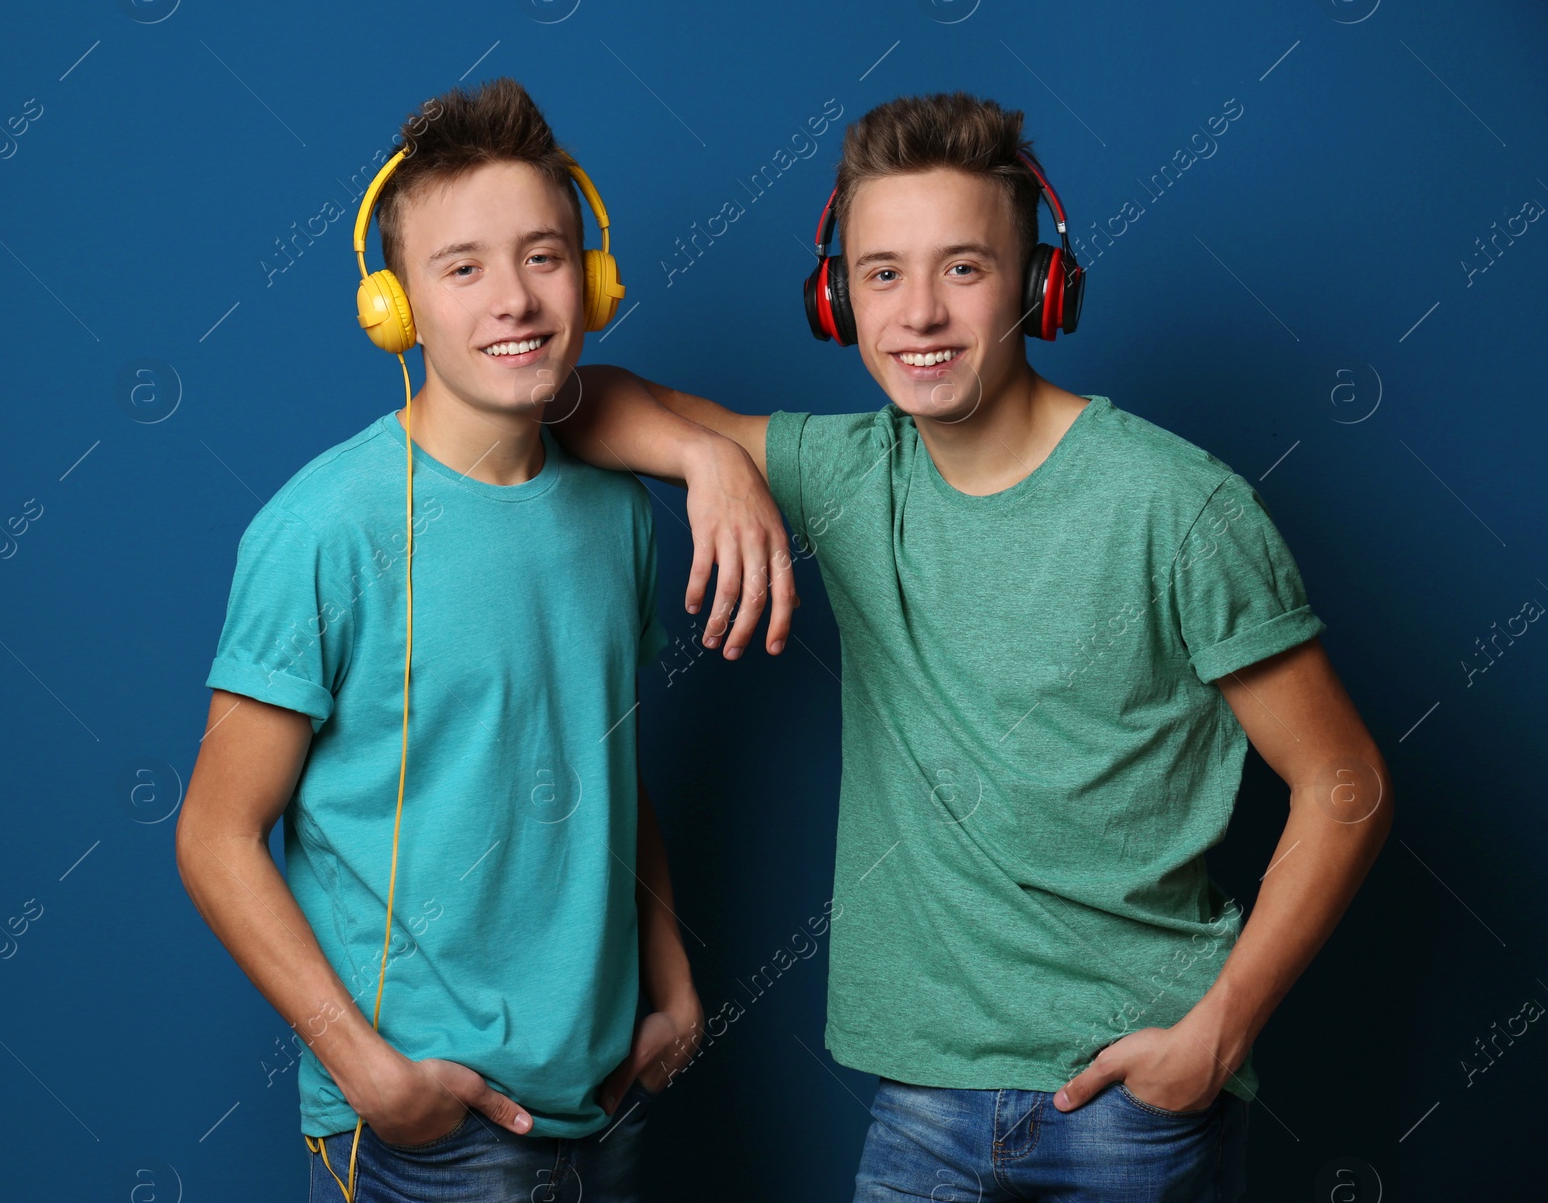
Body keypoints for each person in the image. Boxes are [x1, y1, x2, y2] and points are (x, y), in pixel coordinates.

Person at [551, 92, 1393, 1201]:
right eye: (882, 273)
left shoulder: (1175, 505)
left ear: (1039, 287)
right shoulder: (853, 473)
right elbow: (574, 399)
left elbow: (1345, 781)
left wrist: (1217, 1035)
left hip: (1131, 1111)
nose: (919, 315)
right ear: (834, 297)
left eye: (963, 268)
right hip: (920, 1108)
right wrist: (710, 461)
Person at [175, 76, 792, 1203]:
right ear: (397, 308)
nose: (512, 298)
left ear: (593, 280)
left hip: (606, 1104)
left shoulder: (616, 511)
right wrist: (370, 1073)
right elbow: (216, 836)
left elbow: (597, 757)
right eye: (462, 268)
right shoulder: (324, 527)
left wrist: (674, 981)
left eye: (544, 255)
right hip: (426, 1129)